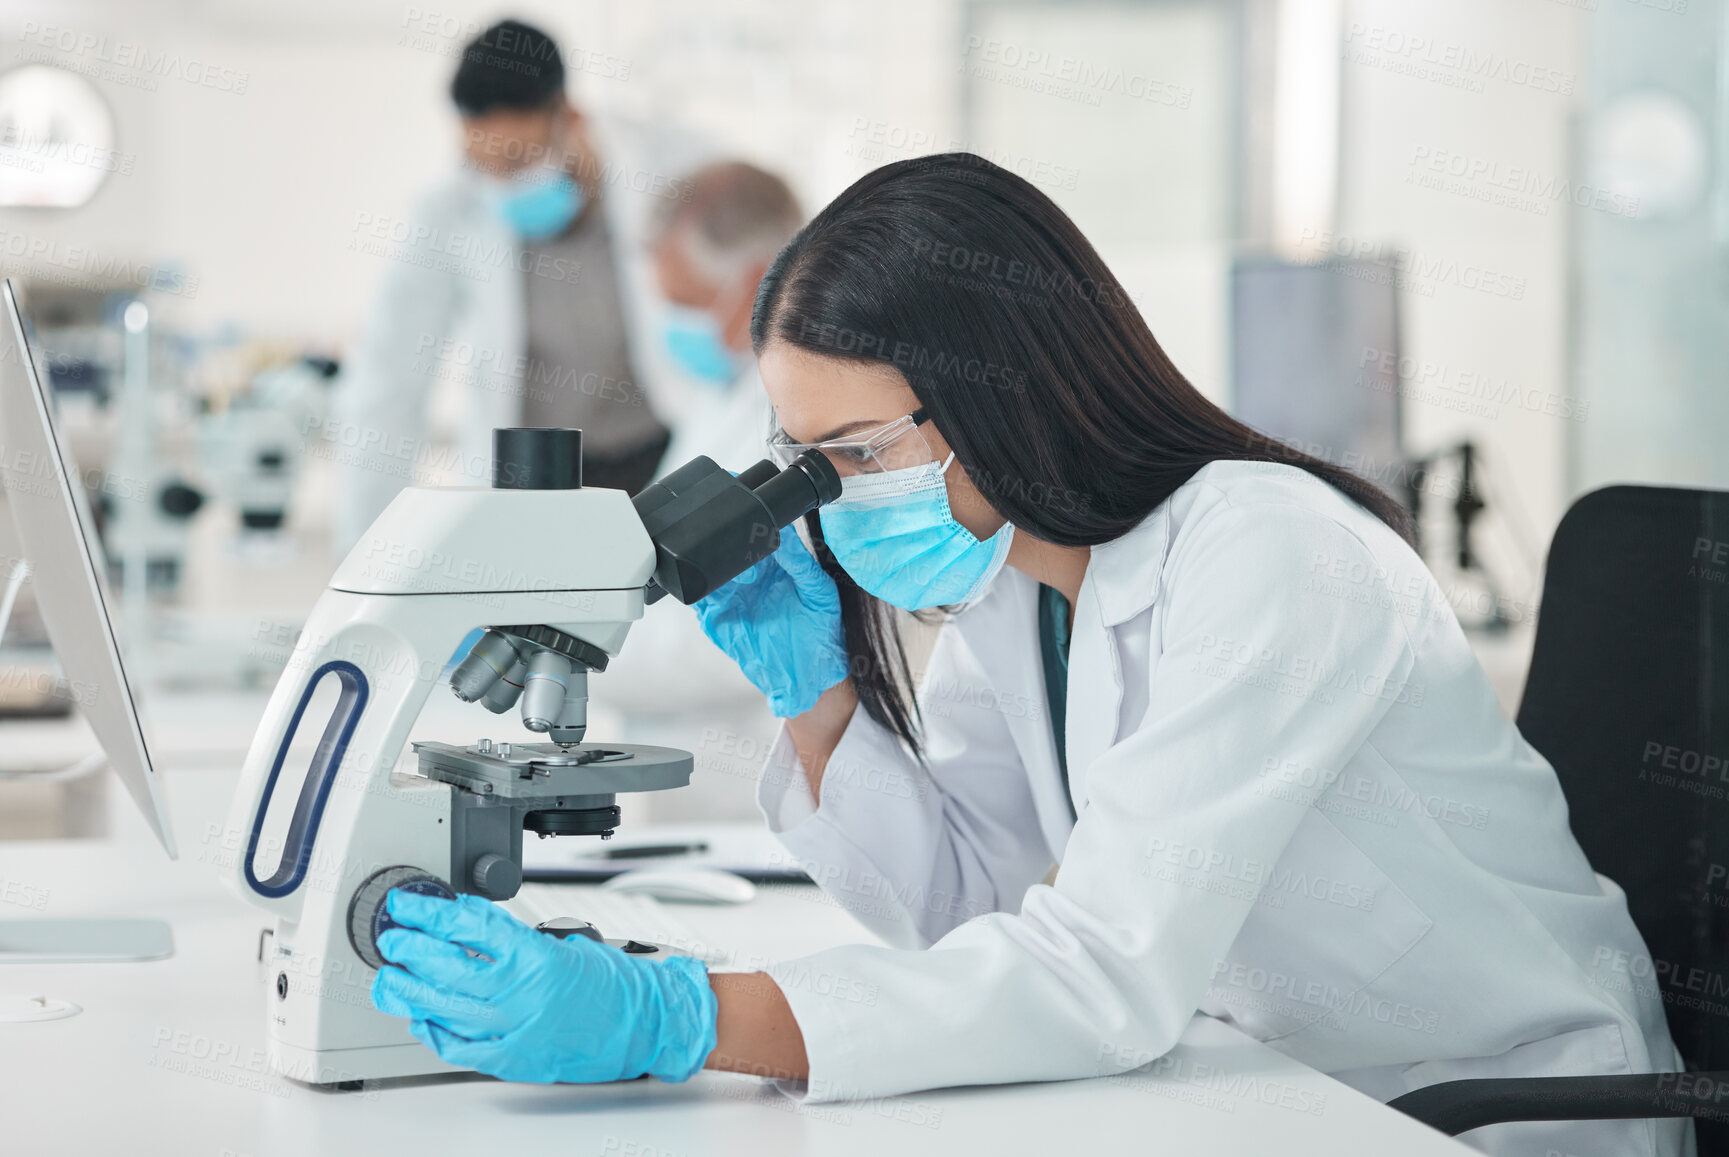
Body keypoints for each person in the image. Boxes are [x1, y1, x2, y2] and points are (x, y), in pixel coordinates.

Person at [367, 154, 1685, 1157]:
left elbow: (1100, 972)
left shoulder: (1271, 554)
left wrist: (683, 1020)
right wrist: (819, 696)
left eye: (857, 455)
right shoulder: (1025, 586)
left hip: (1480, 1111)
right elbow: (973, 914)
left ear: (1002, 387)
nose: (829, 498)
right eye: (803, 461)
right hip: (1250, 1083)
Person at [331, 19, 707, 552]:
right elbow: (388, 378)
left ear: (570, 117)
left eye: (518, 160)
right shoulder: (451, 211)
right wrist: (362, 562)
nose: (502, 184)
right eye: (482, 164)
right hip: (536, 483)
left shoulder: (667, 169)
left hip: (660, 458)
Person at [589, 161, 804, 822]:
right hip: (687, 784)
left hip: (744, 796)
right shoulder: (724, 395)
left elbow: (725, 640)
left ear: (753, 283)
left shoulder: (794, 421)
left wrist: (569, 644)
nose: (670, 324)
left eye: (683, 301)